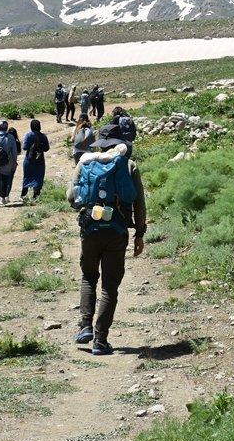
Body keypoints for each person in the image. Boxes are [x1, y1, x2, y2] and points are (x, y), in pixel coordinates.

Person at [66, 124, 147, 356]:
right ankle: (101, 340)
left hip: (90, 229)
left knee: (88, 277)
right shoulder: (129, 165)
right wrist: (139, 233)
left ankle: (84, 327)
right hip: (117, 231)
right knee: (110, 286)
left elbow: (72, 197)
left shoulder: (86, 162)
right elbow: (139, 203)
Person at [21, 119, 50, 201]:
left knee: (27, 176)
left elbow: (24, 147)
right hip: (40, 160)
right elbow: (47, 148)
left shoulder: (28, 135)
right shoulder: (43, 136)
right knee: (39, 177)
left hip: (29, 160)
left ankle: (23, 195)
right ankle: (36, 196)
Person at [5, 126, 22, 200]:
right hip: (13, 163)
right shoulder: (17, 142)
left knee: (3, 179)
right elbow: (19, 152)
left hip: (3, 162)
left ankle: (2, 195)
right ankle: (7, 196)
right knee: (10, 180)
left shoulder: (5, 140)